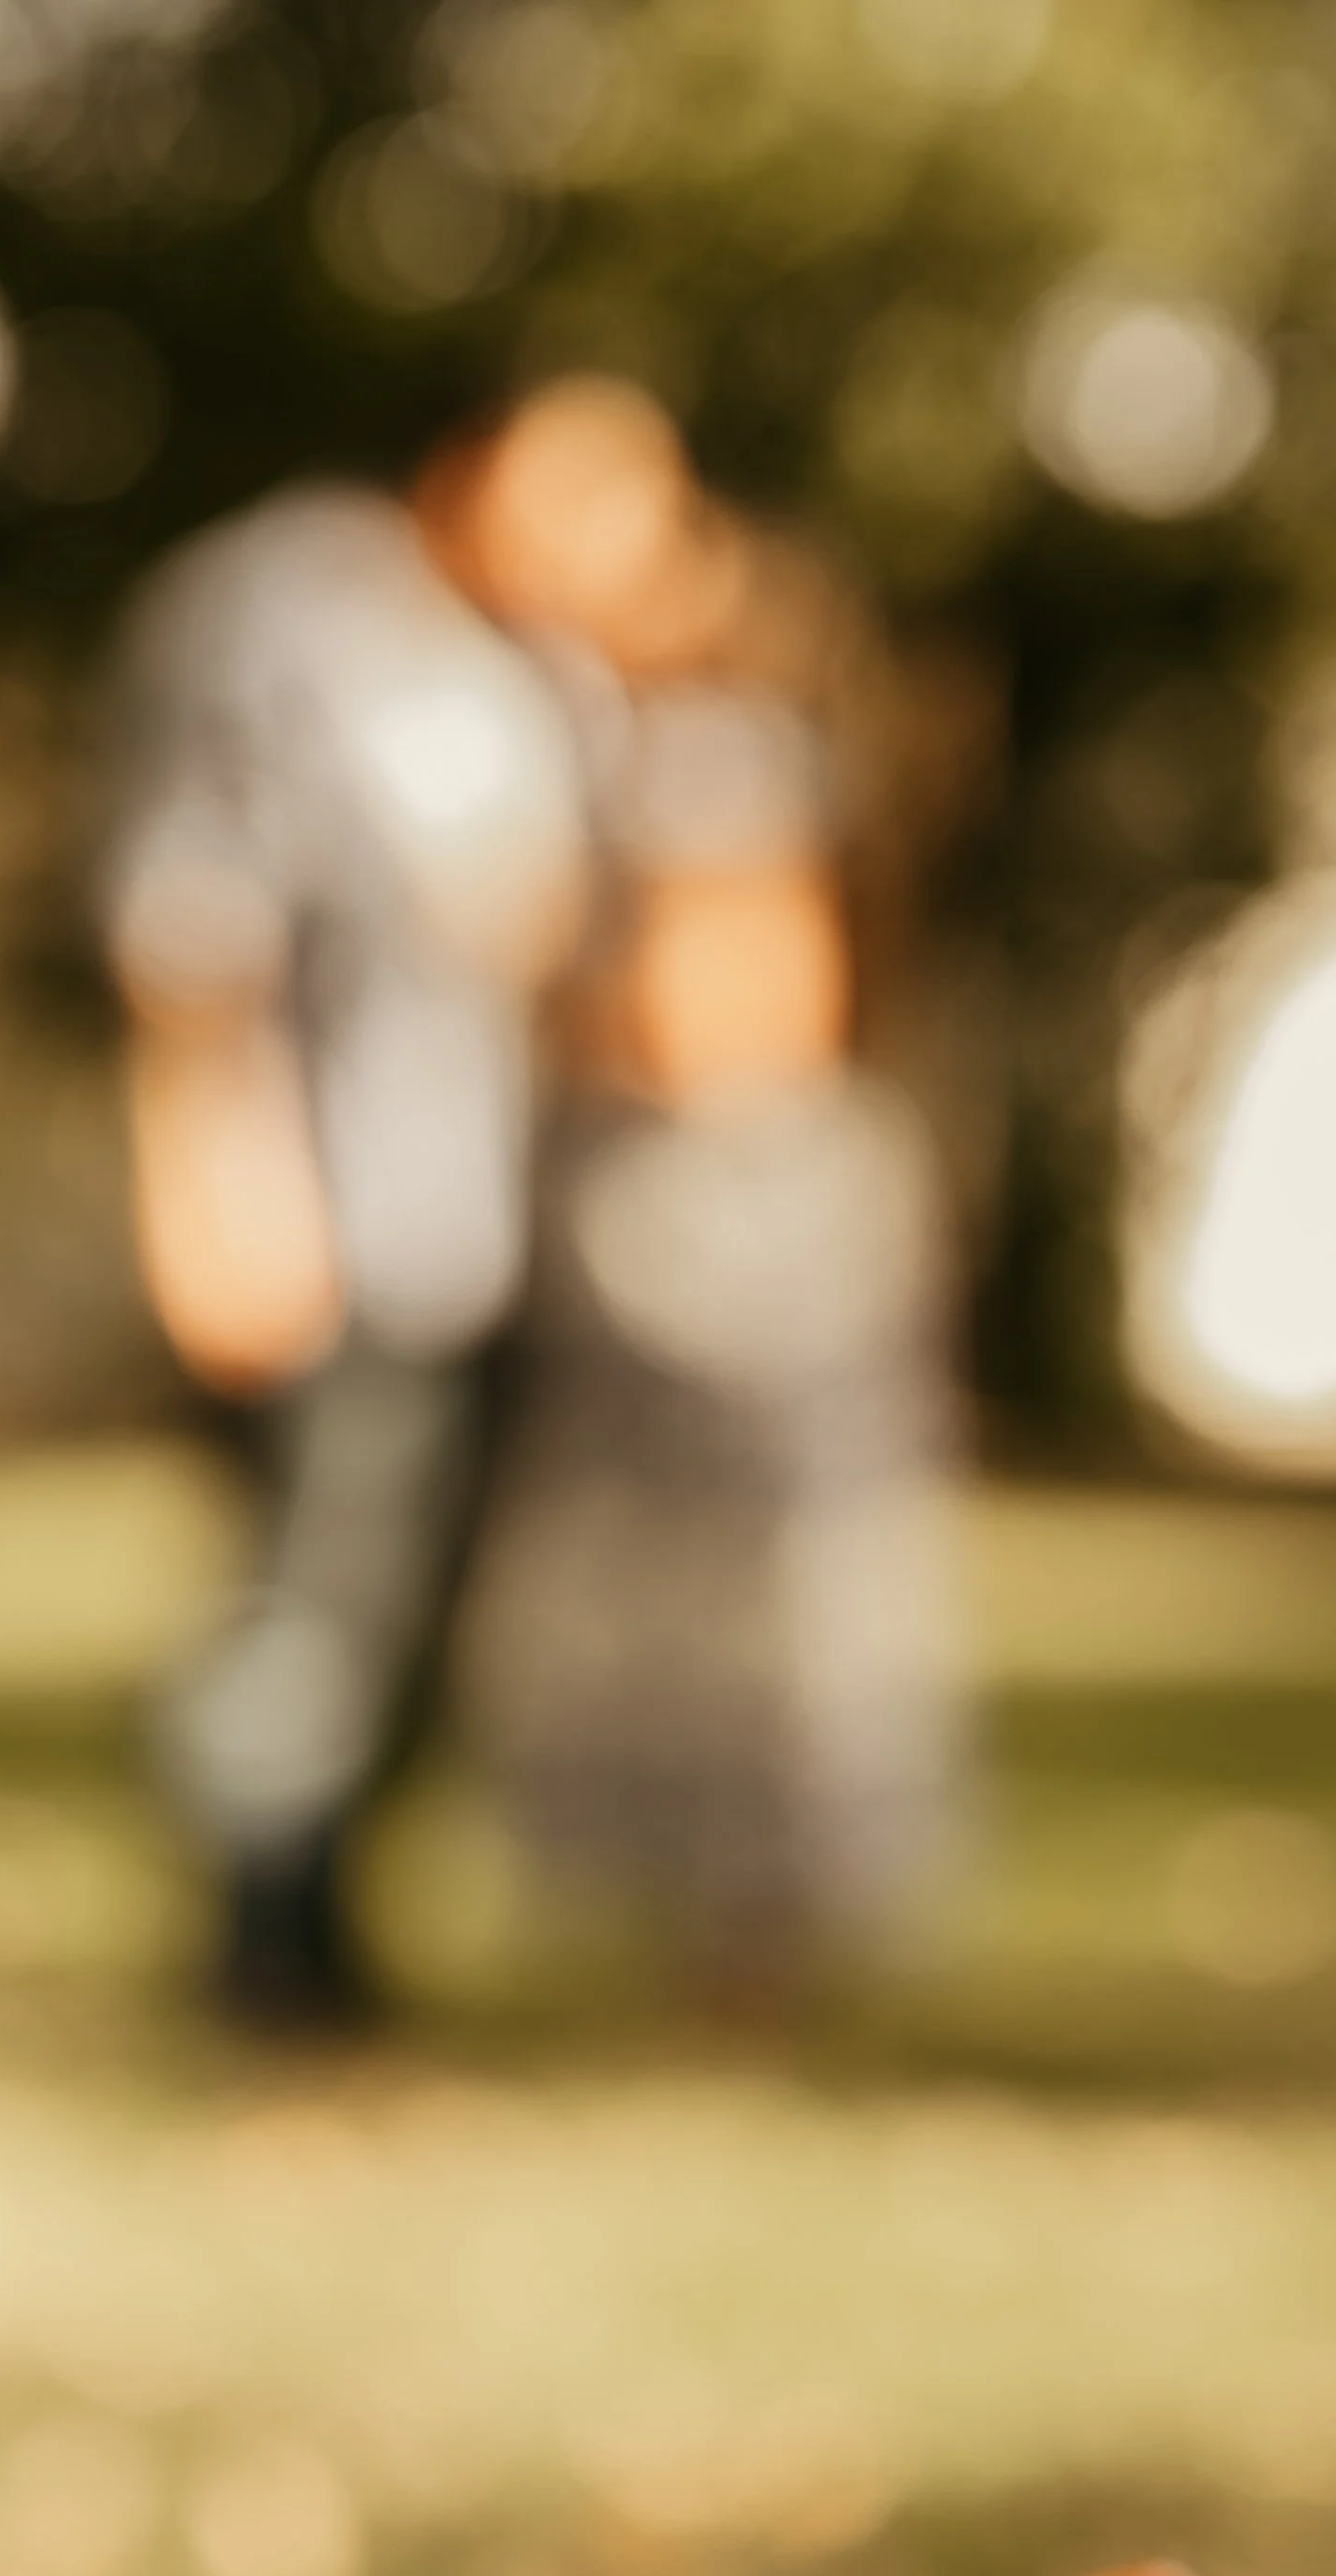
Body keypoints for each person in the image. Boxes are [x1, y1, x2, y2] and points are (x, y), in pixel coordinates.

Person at [443, 383, 963, 1998]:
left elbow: (749, 995)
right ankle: (696, 1915)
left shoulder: (733, 743)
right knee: (652, 1576)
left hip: (746, 1189)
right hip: (650, 1178)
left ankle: (771, 1921)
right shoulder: (565, 737)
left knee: (783, 1571)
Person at [99, 458, 593, 2024]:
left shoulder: (525, 673)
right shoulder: (300, 615)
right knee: (305, 1593)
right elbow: (195, 921)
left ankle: (325, 1927)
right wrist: (214, 1179)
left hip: (464, 1228)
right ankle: (258, 1942)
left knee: (401, 1598)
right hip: (322, 1215)